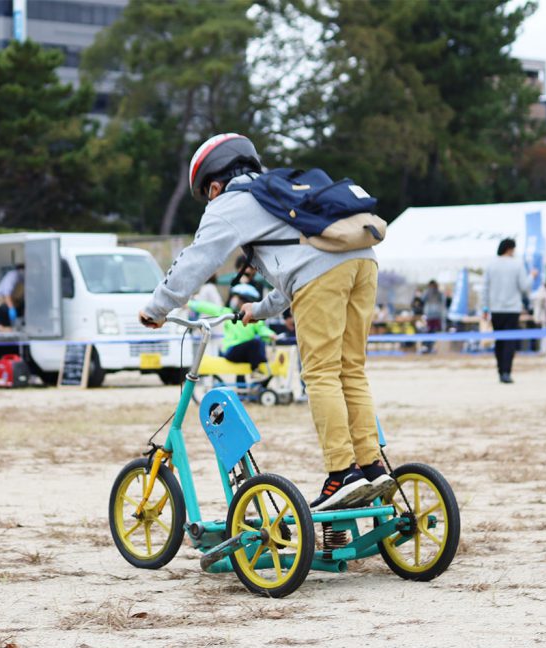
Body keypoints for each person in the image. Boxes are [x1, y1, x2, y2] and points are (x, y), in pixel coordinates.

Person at [139, 132, 393, 511]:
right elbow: (300, 264)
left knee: (320, 374)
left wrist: (157, 308)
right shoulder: (278, 192)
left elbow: (196, 261)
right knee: (351, 370)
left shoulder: (231, 203)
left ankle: (342, 474)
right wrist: (259, 310)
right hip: (363, 261)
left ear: (212, 185)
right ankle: (373, 468)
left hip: (322, 275)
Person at [189, 284, 275, 372]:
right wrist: (189, 303)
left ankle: (260, 375)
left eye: (236, 297)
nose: (233, 300)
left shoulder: (254, 318)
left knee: (258, 343)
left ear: (245, 300)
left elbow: (262, 329)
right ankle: (257, 371)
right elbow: (208, 307)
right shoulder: (228, 313)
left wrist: (271, 335)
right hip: (231, 351)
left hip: (246, 353)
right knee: (256, 343)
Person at [482, 238, 530, 384]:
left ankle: (500, 370)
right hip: (512, 309)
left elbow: (485, 289)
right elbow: (524, 287)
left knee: (499, 341)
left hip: (496, 309)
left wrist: (485, 308)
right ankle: (506, 372)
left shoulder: (491, 265)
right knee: (509, 342)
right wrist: (532, 276)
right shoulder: (517, 265)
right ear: (510, 249)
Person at [0, 264, 25, 331]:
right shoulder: (12, 276)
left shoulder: (24, 279)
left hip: (15, 302)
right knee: (4, 309)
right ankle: (2, 327)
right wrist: (11, 309)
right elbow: (7, 295)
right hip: (1, 301)